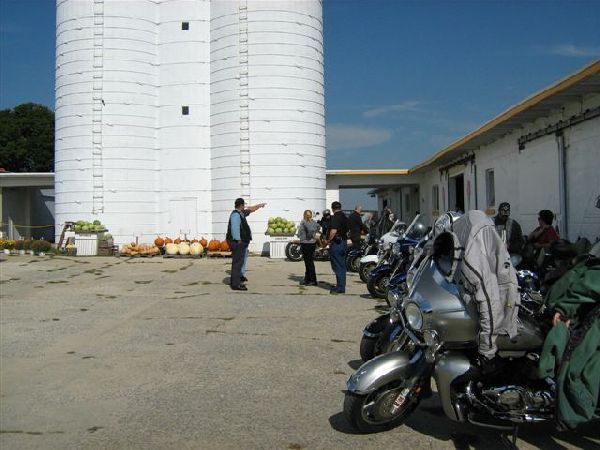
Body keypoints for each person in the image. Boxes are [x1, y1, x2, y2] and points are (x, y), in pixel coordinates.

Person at [226, 198, 265, 291]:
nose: (245, 207)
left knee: (240, 261)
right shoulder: (236, 215)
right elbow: (235, 229)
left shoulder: (241, 213)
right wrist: (239, 240)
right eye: (244, 205)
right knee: (237, 262)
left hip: (241, 242)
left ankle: (238, 278)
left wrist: (259, 206)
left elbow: (250, 209)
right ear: (241, 205)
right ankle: (235, 284)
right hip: (237, 242)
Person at [327, 201, 349, 294]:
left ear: (332, 208)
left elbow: (333, 231)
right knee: (342, 265)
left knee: (337, 265)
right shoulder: (344, 216)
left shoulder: (336, 217)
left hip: (337, 243)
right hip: (343, 242)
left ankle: (340, 288)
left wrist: (329, 240)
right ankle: (341, 286)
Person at [297, 210, 320, 286]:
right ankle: (307, 279)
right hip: (310, 243)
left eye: (308, 215)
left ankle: (313, 280)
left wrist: (309, 236)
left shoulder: (305, 222)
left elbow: (310, 230)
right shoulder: (313, 222)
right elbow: (318, 227)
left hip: (307, 243)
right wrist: (314, 236)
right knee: (308, 262)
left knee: (309, 263)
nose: (307, 216)